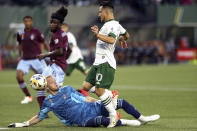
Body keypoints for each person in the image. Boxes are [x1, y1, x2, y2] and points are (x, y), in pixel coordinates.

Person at [8, 75, 160, 128]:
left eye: (54, 80)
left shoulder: (66, 89)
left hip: (91, 108)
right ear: (46, 86)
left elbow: (85, 98)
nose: (55, 82)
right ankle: (125, 122)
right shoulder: (48, 102)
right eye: (52, 81)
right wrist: (23, 124)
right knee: (102, 120)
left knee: (122, 102)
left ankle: (142, 118)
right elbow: (39, 117)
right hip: (82, 120)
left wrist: (103, 102)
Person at [81, 0, 130, 127]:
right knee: (86, 86)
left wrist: (98, 35)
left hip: (105, 62)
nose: (99, 14)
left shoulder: (112, 25)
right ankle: (108, 96)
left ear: (107, 11)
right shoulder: (113, 24)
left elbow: (111, 39)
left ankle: (113, 115)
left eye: (100, 11)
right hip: (98, 62)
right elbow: (127, 35)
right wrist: (122, 39)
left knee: (99, 90)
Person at [16, 15, 50, 108]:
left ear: (32, 22)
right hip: (25, 59)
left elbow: (44, 42)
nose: (27, 23)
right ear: (24, 22)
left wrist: (50, 53)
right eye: (26, 21)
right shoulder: (20, 33)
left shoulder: (36, 32)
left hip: (37, 59)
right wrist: (19, 55)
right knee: (19, 76)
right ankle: (28, 96)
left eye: (29, 21)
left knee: (46, 78)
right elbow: (19, 44)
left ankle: (52, 96)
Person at [37, 6, 71, 87]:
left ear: (60, 24)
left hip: (57, 66)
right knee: (41, 83)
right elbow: (69, 50)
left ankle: (77, 96)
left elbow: (60, 51)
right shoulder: (63, 34)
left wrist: (45, 55)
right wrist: (63, 60)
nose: (52, 24)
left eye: (55, 23)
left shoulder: (57, 35)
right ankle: (42, 100)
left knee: (55, 89)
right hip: (55, 64)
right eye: (51, 22)